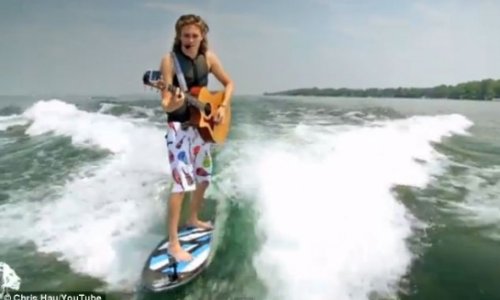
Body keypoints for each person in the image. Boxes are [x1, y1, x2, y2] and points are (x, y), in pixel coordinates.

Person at [159, 14, 234, 262]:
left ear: (202, 37)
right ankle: (173, 243)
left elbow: (229, 83)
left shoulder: (209, 58)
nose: (190, 40)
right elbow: (166, 105)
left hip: (202, 130)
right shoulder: (169, 61)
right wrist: (175, 104)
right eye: (185, 35)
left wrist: (222, 105)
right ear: (178, 37)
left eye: (194, 35)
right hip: (179, 130)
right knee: (182, 184)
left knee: (203, 178)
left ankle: (192, 218)